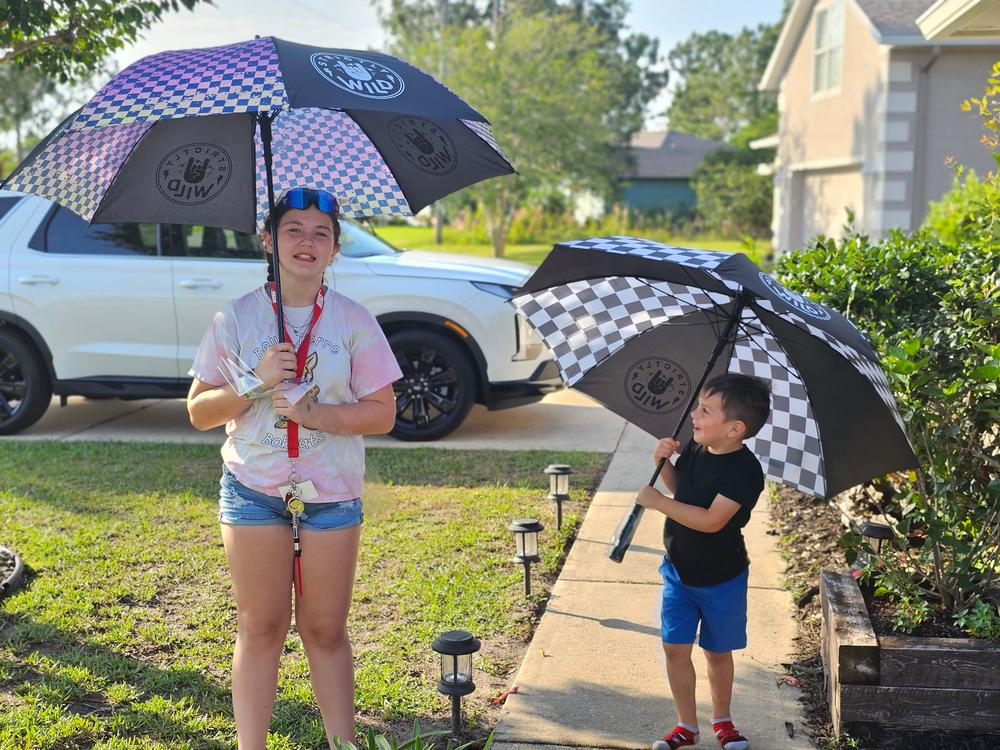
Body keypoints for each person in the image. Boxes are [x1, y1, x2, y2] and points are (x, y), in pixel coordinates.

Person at [186, 188, 401, 750]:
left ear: (334, 249)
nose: (307, 242)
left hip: (330, 495)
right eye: (293, 230)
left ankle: (342, 745)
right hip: (253, 491)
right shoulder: (236, 318)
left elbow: (383, 414)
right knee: (261, 629)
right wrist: (253, 382)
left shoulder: (355, 321)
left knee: (325, 631)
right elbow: (199, 411)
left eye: (321, 233)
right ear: (268, 241)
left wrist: (317, 413)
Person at [636, 373, 771, 750]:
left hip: (721, 578)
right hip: (679, 570)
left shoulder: (744, 471)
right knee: (674, 647)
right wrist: (662, 463)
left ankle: (722, 720)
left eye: (705, 410)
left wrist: (658, 503)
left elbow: (711, 520)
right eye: (698, 407)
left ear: (734, 429)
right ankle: (686, 725)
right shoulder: (697, 449)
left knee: (716, 651)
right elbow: (685, 494)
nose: (694, 415)